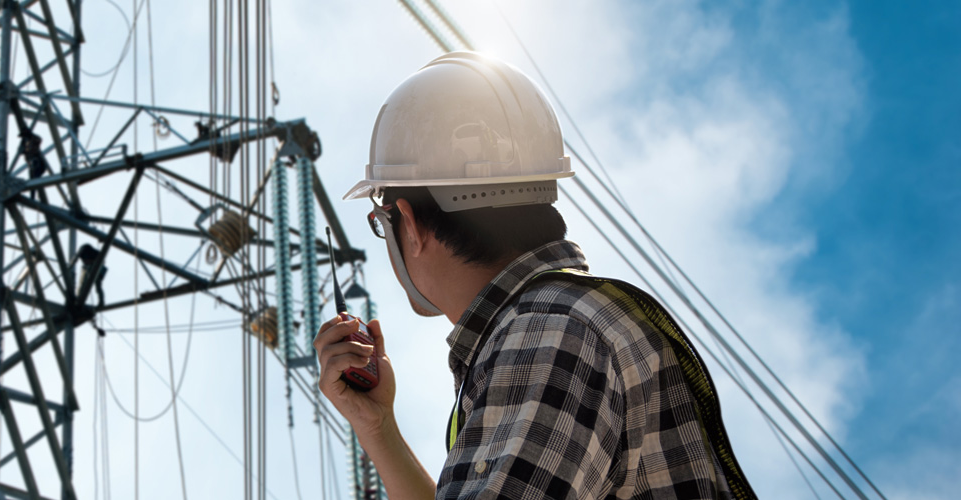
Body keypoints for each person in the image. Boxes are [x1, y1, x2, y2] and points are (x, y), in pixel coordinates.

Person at [315, 52, 754, 499]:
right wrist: (378, 428)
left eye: (380, 223)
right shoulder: (560, 321)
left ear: (407, 221)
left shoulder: (546, 331)